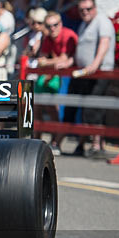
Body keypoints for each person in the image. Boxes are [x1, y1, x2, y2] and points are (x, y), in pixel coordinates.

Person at [65, 0, 115, 158]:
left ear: (95, 8)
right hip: (84, 73)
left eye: (88, 9)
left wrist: (95, 64)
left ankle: (97, 144)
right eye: (82, 10)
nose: (85, 12)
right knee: (84, 107)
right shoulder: (84, 25)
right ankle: (84, 143)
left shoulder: (102, 22)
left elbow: (104, 43)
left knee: (94, 108)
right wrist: (70, 61)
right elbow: (82, 48)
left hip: (99, 72)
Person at [36, 11, 77, 155]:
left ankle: (56, 141)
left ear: (61, 24)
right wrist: (50, 62)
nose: (52, 28)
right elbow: (42, 60)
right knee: (38, 104)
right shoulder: (48, 38)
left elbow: (63, 60)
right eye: (49, 26)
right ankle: (39, 141)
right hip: (55, 74)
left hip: (71, 76)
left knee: (58, 109)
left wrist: (48, 62)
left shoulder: (67, 35)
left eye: (55, 25)